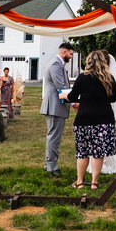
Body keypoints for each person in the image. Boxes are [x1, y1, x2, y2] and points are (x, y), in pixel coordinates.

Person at [64, 49, 116, 189]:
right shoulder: (109, 78)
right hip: (103, 119)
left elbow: (72, 96)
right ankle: (94, 182)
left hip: (84, 119)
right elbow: (113, 98)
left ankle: (80, 182)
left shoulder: (82, 77)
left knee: (82, 152)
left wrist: (63, 96)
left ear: (89, 61)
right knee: (98, 152)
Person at [41, 42, 74, 177]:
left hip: (56, 106)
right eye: (71, 54)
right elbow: (61, 86)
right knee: (54, 137)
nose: (71, 56)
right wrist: (74, 103)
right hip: (54, 106)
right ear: (64, 52)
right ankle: (52, 166)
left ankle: (48, 163)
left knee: (53, 136)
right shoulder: (55, 64)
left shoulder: (58, 64)